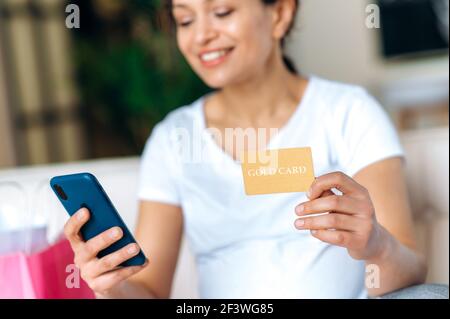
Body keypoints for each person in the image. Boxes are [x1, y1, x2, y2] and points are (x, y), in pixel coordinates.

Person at [63, 0, 428, 298]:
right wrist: (112, 285)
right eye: (185, 20)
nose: (202, 35)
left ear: (280, 14)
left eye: (222, 12)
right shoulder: (172, 138)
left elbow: (410, 271)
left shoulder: (348, 111)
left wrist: (377, 245)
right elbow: (149, 291)